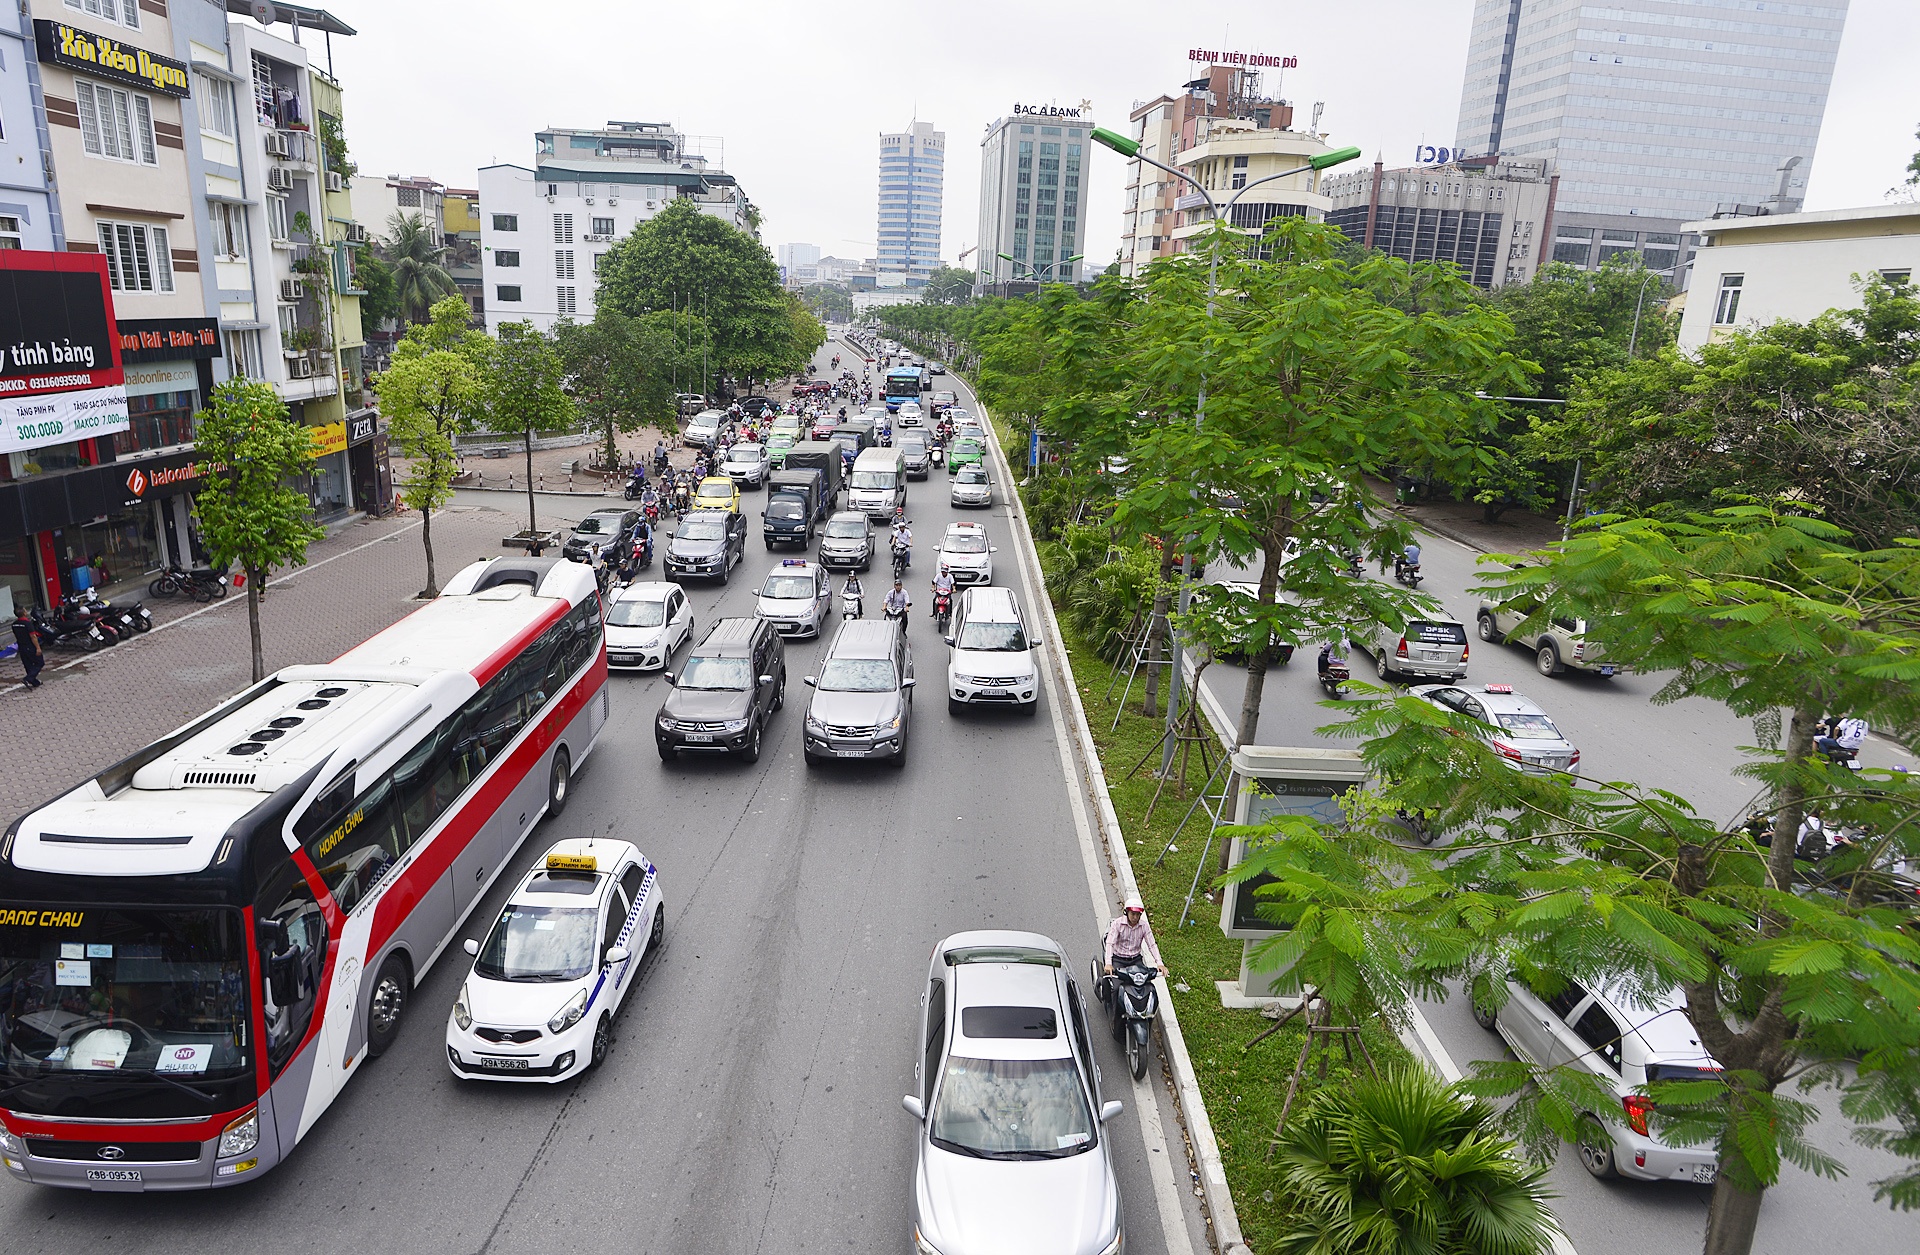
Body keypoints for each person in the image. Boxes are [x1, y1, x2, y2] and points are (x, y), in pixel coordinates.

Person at [1103, 895, 1167, 978]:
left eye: (1138, 915)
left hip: (1136, 960)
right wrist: (1108, 963)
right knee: (1115, 987)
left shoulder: (1144, 926)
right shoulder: (1117, 924)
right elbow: (1110, 943)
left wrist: (1160, 963)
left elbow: (1152, 945)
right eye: (1133, 914)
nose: (1135, 917)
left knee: (1146, 984)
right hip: (1118, 959)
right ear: (1127, 912)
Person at [12, 608, 44, 689]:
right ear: (24, 613)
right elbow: (33, 636)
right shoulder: (27, 623)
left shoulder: (14, 624)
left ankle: (35, 682)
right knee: (39, 662)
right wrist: (38, 648)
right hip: (29, 646)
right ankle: (28, 678)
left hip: (21, 646)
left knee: (28, 664)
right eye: (25, 610)